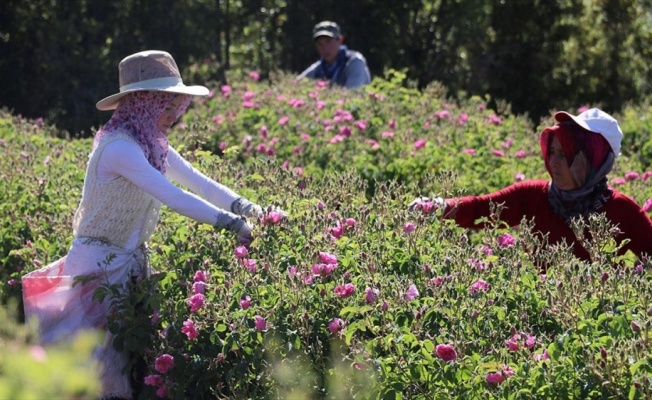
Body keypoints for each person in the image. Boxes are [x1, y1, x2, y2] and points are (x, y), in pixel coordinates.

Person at [21, 50, 272, 400]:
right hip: (98, 269)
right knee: (100, 373)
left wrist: (257, 211)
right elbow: (171, 194)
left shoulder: (150, 144)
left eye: (176, 106)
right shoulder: (119, 148)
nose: (173, 116)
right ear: (142, 104)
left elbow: (200, 183)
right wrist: (236, 225)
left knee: (132, 364)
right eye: (165, 105)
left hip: (128, 265)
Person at [409, 108, 652, 262]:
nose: (554, 162)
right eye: (552, 152)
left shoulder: (622, 211)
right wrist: (439, 206)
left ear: (594, 160)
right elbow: (482, 209)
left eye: (566, 154)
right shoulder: (533, 196)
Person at [297, 20, 371, 89]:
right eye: (320, 44)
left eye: (328, 42)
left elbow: (352, 94)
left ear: (340, 40)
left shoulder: (355, 62)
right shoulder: (319, 68)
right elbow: (295, 84)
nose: (325, 48)